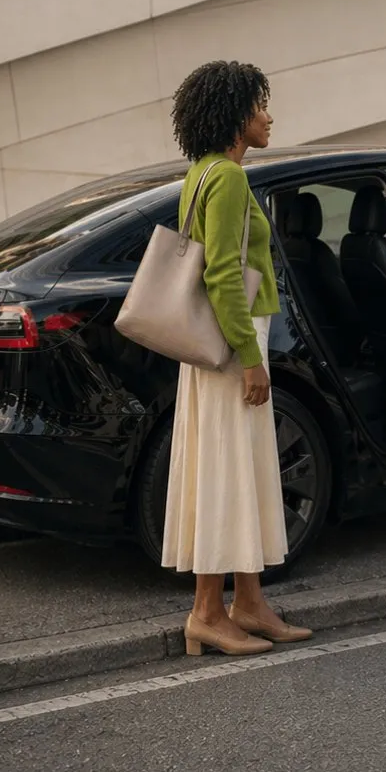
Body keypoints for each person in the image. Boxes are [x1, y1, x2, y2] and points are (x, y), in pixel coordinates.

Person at [161, 60, 314, 655]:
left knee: (241, 469)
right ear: (234, 117)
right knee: (229, 472)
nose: (268, 116)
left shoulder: (199, 173)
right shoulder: (227, 179)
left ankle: (247, 603)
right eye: (259, 106)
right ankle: (206, 611)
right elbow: (224, 273)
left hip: (215, 345)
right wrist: (251, 356)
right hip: (231, 345)